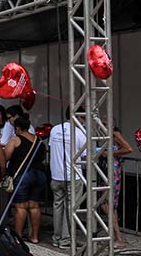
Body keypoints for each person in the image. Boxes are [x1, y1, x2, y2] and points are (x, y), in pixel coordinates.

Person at [4, 116, 46, 244]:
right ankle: (34, 236)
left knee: (20, 207)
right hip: (39, 175)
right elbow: (43, 156)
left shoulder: (15, 140)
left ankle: (18, 237)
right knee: (34, 206)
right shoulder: (38, 140)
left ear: (17, 128)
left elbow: (6, 156)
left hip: (22, 175)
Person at [49, 106, 86, 249]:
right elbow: (85, 156)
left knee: (57, 206)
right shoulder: (80, 133)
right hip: (73, 176)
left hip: (55, 174)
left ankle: (56, 237)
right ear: (79, 117)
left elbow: (52, 147)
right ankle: (65, 239)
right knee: (71, 208)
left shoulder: (54, 130)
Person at [102, 124, 132, 248]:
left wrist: (110, 153)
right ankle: (115, 235)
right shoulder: (106, 135)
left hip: (112, 171)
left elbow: (128, 149)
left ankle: (117, 236)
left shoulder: (115, 134)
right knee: (107, 204)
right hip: (106, 170)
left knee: (108, 204)